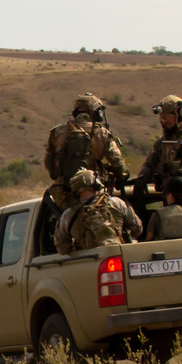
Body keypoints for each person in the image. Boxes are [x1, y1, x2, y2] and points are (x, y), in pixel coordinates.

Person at [41, 95, 123, 253]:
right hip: (94, 195)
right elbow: (119, 165)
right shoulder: (102, 133)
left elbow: (51, 169)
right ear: (95, 113)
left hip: (62, 196)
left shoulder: (57, 132)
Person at [57, 168, 136, 252]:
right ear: (96, 184)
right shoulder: (116, 203)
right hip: (119, 252)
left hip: (90, 257)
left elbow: (62, 248)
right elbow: (137, 228)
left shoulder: (68, 215)